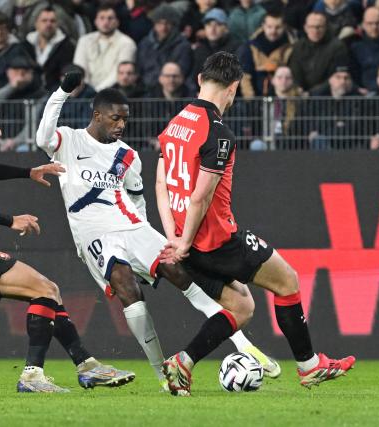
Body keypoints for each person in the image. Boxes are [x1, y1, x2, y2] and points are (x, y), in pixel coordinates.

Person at [35, 70, 280, 390]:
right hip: (94, 235)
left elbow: (137, 198)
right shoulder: (69, 140)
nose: (121, 126)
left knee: (179, 271)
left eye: (125, 120)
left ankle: (244, 346)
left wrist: (142, 236)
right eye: (115, 119)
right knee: (127, 289)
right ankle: (162, 373)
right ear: (96, 115)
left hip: (134, 227)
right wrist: (63, 91)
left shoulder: (128, 156)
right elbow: (42, 139)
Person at [157, 51, 355, 396]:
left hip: (187, 240)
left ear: (200, 80)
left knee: (241, 308)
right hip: (215, 240)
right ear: (234, 87)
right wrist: (186, 240)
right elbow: (200, 197)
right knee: (287, 280)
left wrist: (173, 235)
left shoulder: (174, 124)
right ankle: (310, 368)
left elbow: (161, 183)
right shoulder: (217, 132)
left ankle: (182, 363)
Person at [0, 94, 135, 393]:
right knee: (44, 289)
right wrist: (10, 220)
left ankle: (86, 365)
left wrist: (28, 172)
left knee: (48, 291)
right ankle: (33, 375)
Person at [73, 5, 137, 91]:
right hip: (85, 92)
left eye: (110, 18)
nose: (106, 22)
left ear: (117, 22)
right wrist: (88, 91)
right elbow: (79, 68)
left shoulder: (127, 43)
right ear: (96, 21)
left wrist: (96, 92)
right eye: (102, 18)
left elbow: (119, 73)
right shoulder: (84, 40)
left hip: (113, 92)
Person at [288, 12, 349, 92]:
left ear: (326, 27)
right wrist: (300, 90)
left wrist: (312, 93)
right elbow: (296, 73)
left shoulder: (337, 46)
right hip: (302, 94)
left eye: (319, 27)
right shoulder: (298, 47)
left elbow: (336, 76)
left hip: (329, 94)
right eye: (311, 27)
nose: (315, 30)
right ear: (305, 28)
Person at [20, 6, 75, 91]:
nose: (48, 24)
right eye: (44, 21)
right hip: (29, 93)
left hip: (55, 94)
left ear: (57, 24)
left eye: (52, 21)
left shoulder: (67, 46)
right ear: (36, 24)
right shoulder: (25, 45)